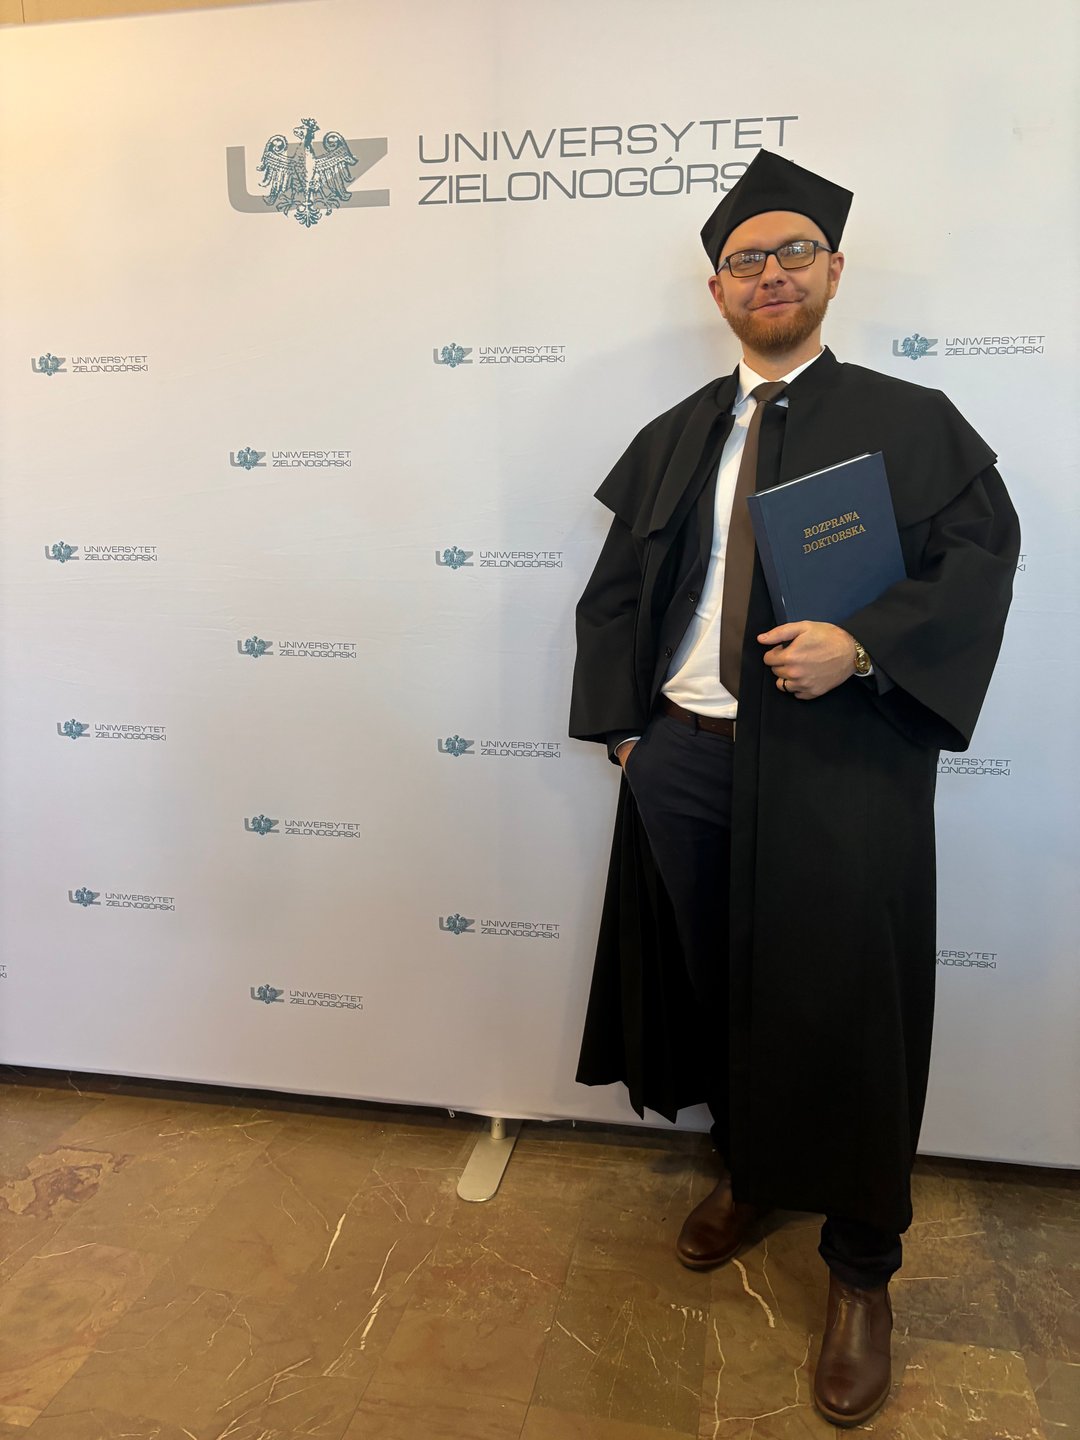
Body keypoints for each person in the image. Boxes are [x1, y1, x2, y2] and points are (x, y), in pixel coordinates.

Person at [568, 150, 1019, 1428]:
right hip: (686, 760)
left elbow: (980, 566)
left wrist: (864, 645)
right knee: (716, 982)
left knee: (853, 1011)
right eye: (744, 261)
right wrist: (628, 732)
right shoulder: (677, 435)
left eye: (792, 253)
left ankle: (862, 1269)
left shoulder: (911, 421)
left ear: (832, 271)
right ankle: (751, 1170)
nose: (769, 274)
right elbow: (616, 594)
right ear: (716, 290)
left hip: (840, 765)